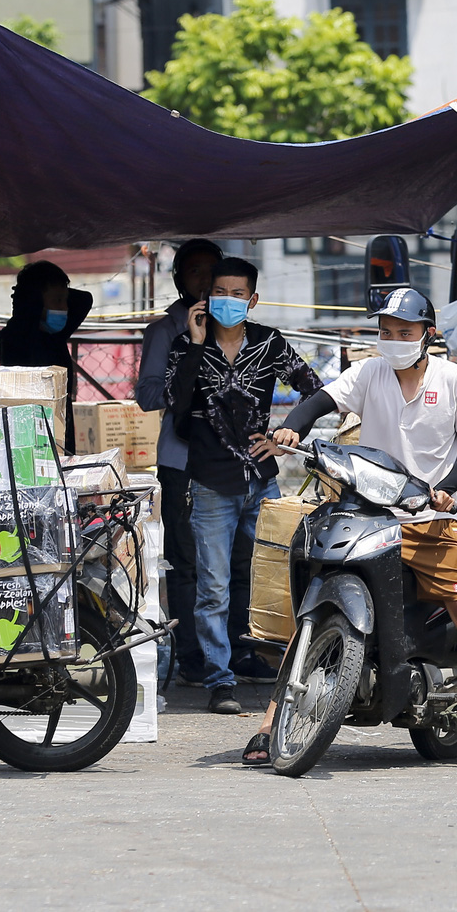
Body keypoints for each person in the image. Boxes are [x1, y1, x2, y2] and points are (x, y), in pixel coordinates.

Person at [244, 287, 457, 771]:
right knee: (314, 607)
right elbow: (319, 400)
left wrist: (446, 489)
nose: (393, 341)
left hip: (431, 520)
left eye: (404, 333)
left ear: (427, 334)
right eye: (385, 332)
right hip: (367, 513)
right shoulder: (369, 372)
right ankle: (269, 723)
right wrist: (292, 428)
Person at [164, 255, 324, 714]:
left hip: (262, 482)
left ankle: (287, 671)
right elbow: (176, 409)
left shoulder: (269, 342)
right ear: (205, 299)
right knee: (212, 586)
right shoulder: (183, 346)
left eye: (238, 294)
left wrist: (285, 435)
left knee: (276, 578)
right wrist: (196, 344)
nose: (228, 301)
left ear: (252, 300)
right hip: (210, 482)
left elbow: (314, 389)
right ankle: (220, 681)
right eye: (220, 293)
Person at [136, 238, 260, 688]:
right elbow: (148, 395)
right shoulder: (165, 331)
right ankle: (195, 657)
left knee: (243, 559)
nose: (207, 284)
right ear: (178, 279)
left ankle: (240, 649)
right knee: (190, 564)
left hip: (236, 464)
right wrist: (192, 369)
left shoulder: (249, 331)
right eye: (196, 273)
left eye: (215, 274)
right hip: (185, 463)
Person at [0, 260, 92, 450]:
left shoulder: (54, 336)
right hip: (31, 440)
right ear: (35, 303)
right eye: (57, 300)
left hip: (61, 434)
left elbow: (85, 299)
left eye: (65, 299)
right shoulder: (15, 340)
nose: (65, 308)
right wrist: (27, 300)